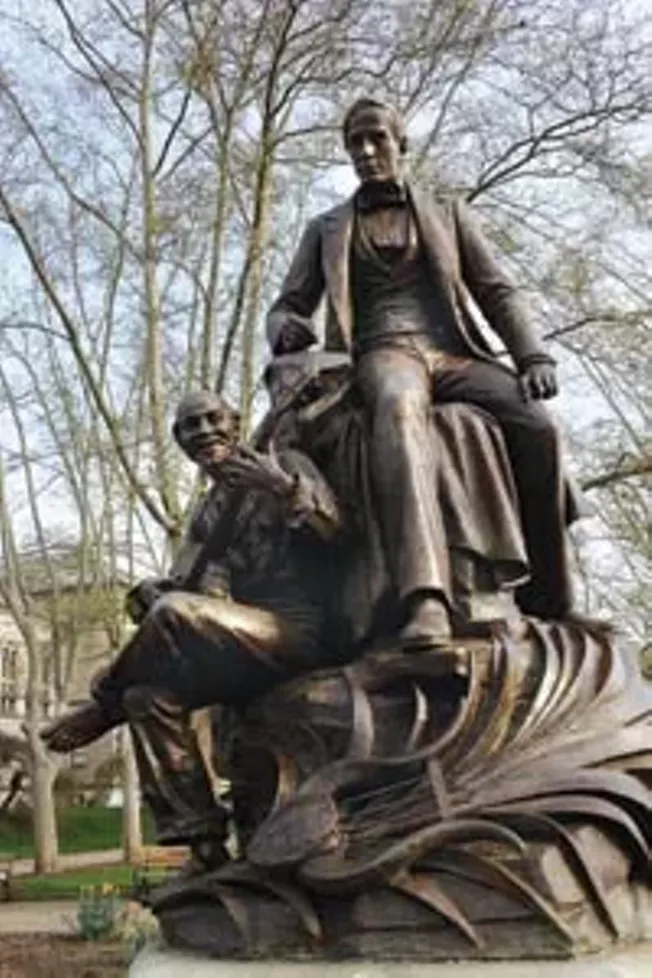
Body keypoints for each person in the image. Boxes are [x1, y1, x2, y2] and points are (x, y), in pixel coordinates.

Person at [266, 97, 578, 650]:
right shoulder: (325, 228)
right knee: (399, 409)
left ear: (400, 144)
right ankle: (426, 597)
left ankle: (550, 598)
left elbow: (496, 290)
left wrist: (532, 356)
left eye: (377, 139)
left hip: (453, 354)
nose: (366, 151)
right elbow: (287, 305)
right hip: (381, 352)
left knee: (539, 426)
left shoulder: (447, 212)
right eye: (355, 143)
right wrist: (286, 328)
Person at [41, 390, 342, 869]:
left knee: (175, 614)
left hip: (298, 632)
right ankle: (203, 843)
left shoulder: (285, 464)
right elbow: (195, 589)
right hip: (240, 643)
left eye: (211, 419)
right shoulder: (208, 512)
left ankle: (102, 707)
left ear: (235, 423)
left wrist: (281, 487)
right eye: (189, 426)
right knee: (146, 698)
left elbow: (338, 532)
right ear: (180, 441)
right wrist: (150, 591)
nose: (203, 431)